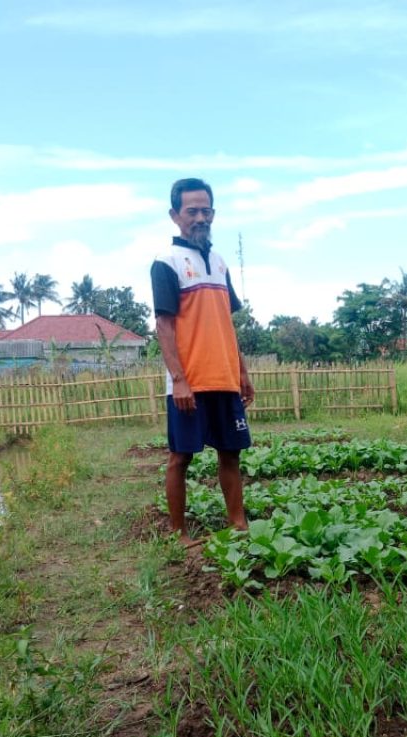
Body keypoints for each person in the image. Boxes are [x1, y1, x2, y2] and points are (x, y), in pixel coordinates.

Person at [151, 177, 255, 543]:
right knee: (181, 457)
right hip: (190, 382)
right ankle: (178, 533)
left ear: (214, 213)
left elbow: (227, 322)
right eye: (191, 211)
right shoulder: (167, 262)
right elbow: (163, 325)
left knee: (231, 454)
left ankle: (238, 525)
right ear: (175, 215)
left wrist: (242, 371)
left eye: (205, 210)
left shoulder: (221, 264)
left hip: (224, 378)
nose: (200, 217)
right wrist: (178, 378)